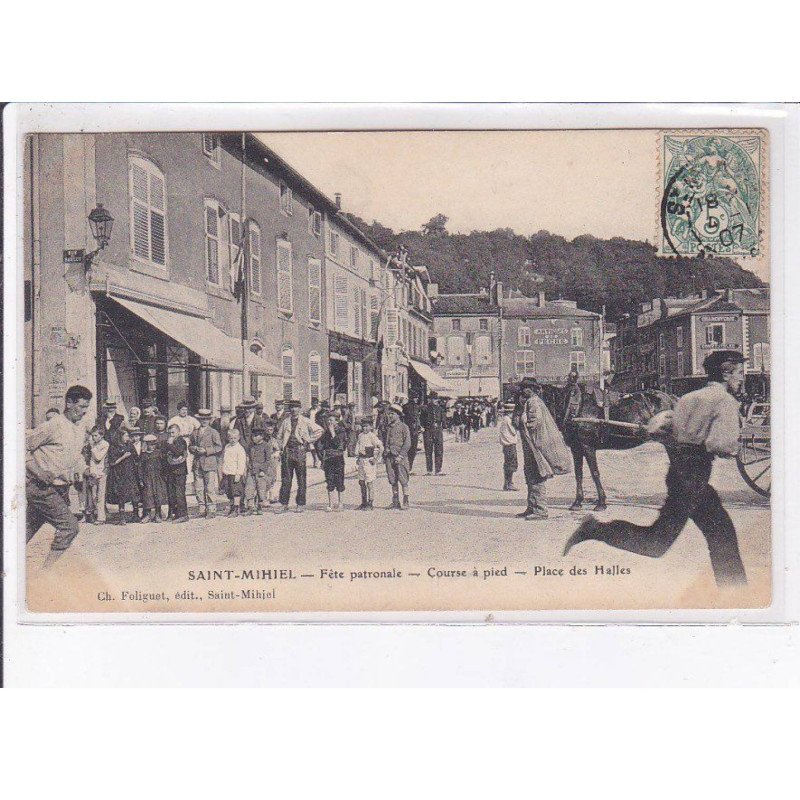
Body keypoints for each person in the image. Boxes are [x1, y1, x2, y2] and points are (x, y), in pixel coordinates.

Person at [564, 350, 749, 587]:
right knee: (664, 542)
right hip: (694, 478)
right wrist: (730, 446)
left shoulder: (688, 398)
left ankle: (734, 591)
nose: (741, 378)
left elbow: (659, 428)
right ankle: (594, 529)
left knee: (703, 537)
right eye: (740, 373)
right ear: (726, 373)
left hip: (679, 474)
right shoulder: (724, 402)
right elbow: (720, 444)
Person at [26, 384, 93, 565]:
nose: (85, 411)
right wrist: (38, 472)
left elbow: (76, 455)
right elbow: (22, 445)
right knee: (69, 527)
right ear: (69, 403)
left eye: (87, 407)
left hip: (61, 490)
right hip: (42, 488)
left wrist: (85, 469)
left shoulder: (79, 428)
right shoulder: (53, 425)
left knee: (24, 531)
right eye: (82, 406)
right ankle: (47, 574)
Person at [516, 382, 572, 520]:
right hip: (531, 444)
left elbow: (534, 423)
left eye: (526, 388)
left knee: (536, 475)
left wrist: (521, 421)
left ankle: (540, 510)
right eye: (522, 388)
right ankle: (531, 507)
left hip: (536, 444)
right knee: (530, 475)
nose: (524, 390)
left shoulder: (534, 402)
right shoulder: (531, 401)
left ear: (533, 389)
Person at [276, 399, 323, 513]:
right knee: (286, 479)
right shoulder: (286, 421)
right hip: (287, 451)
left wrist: (308, 440)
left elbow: (319, 430)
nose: (293, 409)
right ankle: (284, 504)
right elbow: (279, 436)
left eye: (296, 407)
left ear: (300, 408)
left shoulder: (305, 421)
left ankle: (300, 504)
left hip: (300, 451)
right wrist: (281, 447)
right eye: (291, 407)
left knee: (301, 478)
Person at [189, 408, 223, 518]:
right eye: (202, 419)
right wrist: (193, 448)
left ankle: (212, 509)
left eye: (206, 419)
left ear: (209, 420)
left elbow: (219, 447)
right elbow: (190, 446)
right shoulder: (194, 432)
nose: (204, 421)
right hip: (197, 463)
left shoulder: (213, 432)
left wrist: (207, 451)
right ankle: (202, 509)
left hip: (209, 463)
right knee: (198, 488)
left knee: (210, 487)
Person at [107, 427, 142, 524]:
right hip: (119, 473)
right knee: (121, 494)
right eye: (126, 435)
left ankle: (136, 515)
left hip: (130, 472)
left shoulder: (130, 445)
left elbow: (136, 457)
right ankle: (122, 517)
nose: (128, 437)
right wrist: (123, 457)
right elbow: (112, 463)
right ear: (120, 436)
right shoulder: (114, 447)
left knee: (133, 493)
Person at [317, 411, 348, 511]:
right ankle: (330, 504)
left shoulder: (341, 431)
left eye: (331, 420)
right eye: (328, 420)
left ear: (337, 421)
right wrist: (321, 457)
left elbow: (338, 444)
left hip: (338, 458)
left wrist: (333, 433)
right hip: (328, 458)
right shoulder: (325, 432)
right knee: (329, 480)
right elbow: (320, 445)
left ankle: (340, 503)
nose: (329, 422)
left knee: (339, 480)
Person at [245, 425, 278, 514]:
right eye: (253, 436)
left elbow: (268, 460)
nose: (254, 438)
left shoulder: (266, 446)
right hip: (251, 470)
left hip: (261, 472)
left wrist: (263, 470)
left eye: (256, 436)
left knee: (261, 489)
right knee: (249, 488)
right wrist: (248, 467)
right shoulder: (251, 446)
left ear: (262, 436)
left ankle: (259, 506)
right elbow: (248, 457)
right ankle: (250, 507)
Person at [384, 403, 411, 510]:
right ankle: (395, 501)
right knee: (392, 479)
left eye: (392, 414)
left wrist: (401, 455)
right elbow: (386, 441)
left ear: (398, 415)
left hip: (400, 457)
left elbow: (407, 443)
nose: (390, 416)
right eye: (389, 414)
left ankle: (406, 500)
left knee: (403, 479)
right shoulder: (388, 427)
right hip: (389, 457)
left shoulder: (404, 427)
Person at [356, 416, 383, 511]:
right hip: (361, 461)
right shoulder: (360, 435)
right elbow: (359, 447)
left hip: (369, 461)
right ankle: (363, 502)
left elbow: (381, 448)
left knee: (369, 483)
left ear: (371, 426)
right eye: (363, 426)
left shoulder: (372, 436)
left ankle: (370, 503)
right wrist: (358, 457)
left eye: (367, 426)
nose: (364, 428)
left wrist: (376, 459)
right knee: (361, 482)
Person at [163, 423, 189, 522]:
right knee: (171, 493)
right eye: (170, 433)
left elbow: (178, 452)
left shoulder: (181, 441)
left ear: (178, 432)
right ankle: (173, 514)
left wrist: (169, 444)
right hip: (170, 470)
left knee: (179, 493)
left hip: (179, 471)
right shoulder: (168, 441)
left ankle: (183, 515)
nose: (171, 435)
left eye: (173, 432)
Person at [83, 426, 109, 524]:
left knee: (100, 495)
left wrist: (92, 447)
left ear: (101, 436)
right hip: (93, 472)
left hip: (101, 472)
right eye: (93, 436)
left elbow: (98, 457)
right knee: (93, 495)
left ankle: (101, 517)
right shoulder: (93, 444)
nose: (94, 438)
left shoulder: (105, 444)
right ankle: (94, 513)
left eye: (96, 435)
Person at [139, 434, 168, 522]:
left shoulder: (158, 453)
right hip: (147, 478)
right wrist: (141, 479)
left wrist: (164, 476)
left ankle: (158, 514)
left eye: (153, 444)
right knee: (147, 496)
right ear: (146, 445)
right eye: (149, 444)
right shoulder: (143, 455)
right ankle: (147, 515)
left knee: (158, 495)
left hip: (157, 477)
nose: (152, 446)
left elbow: (164, 465)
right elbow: (140, 468)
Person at [167, 400, 200, 476]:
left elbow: (198, 427)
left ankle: (189, 476)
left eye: (185, 409)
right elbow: (169, 430)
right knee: (179, 456)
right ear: (178, 410)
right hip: (178, 441)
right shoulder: (173, 419)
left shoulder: (191, 419)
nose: (184, 411)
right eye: (182, 409)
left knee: (189, 458)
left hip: (189, 440)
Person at [220, 428, 247, 516]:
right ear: (228, 438)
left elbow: (241, 462)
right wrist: (223, 470)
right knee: (229, 491)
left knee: (236, 491)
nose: (233, 440)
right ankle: (232, 507)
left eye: (235, 438)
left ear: (238, 438)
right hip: (227, 472)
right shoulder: (227, 447)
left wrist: (239, 473)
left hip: (235, 473)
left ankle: (236, 508)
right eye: (231, 438)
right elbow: (224, 459)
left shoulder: (240, 449)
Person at [420, 392, 445, 475]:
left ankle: (438, 470)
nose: (434, 400)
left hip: (438, 431)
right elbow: (421, 420)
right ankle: (429, 470)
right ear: (429, 399)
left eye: (435, 399)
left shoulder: (440, 409)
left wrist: (443, 426)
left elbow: (443, 420)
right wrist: (422, 427)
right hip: (428, 431)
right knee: (428, 450)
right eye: (432, 399)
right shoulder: (425, 409)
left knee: (439, 450)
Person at [499, 401, 520, 491]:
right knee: (511, 464)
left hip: (507, 445)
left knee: (508, 463)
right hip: (509, 444)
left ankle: (507, 483)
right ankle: (509, 483)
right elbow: (513, 431)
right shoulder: (508, 420)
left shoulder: (505, 419)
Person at [403, 395, 422, 473]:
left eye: (417, 397)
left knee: (413, 450)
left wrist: (419, 427)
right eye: (415, 397)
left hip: (415, 431)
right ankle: (406, 468)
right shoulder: (405, 407)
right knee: (407, 449)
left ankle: (410, 467)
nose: (416, 399)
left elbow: (418, 418)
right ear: (411, 398)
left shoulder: (417, 407)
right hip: (408, 430)